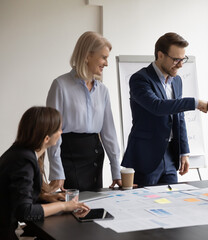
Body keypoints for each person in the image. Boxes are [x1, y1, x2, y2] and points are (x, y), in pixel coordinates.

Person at [121, 32, 208, 186]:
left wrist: (184, 152)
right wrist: (195, 103)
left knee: (171, 204)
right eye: (176, 60)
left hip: (170, 156)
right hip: (146, 157)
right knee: (143, 206)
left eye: (183, 59)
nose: (181, 65)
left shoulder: (177, 81)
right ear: (160, 55)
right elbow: (157, 106)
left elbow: (179, 117)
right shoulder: (140, 79)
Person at [46, 31, 122, 191]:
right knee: (75, 210)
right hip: (70, 155)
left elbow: (109, 134)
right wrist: (56, 171)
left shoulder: (103, 91)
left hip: (94, 155)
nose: (106, 63)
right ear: (87, 56)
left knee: (94, 206)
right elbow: (52, 132)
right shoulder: (60, 85)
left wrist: (116, 170)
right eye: (103, 57)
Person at [0, 107, 89, 240]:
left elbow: (17, 197)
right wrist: (64, 205)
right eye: (59, 129)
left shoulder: (19, 152)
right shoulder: (23, 161)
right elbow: (24, 211)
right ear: (47, 138)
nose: (61, 132)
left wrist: (47, 198)